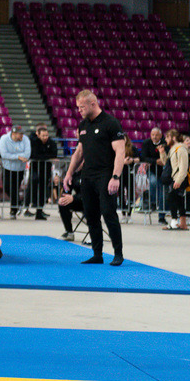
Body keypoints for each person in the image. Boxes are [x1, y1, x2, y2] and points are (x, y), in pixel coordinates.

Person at [62, 90, 126, 266]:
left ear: (93, 104)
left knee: (108, 212)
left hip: (106, 174)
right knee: (91, 215)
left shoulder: (110, 123)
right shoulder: (83, 125)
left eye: (82, 107)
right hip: (87, 175)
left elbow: (120, 151)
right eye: (78, 108)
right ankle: (97, 254)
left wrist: (116, 177)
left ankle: (118, 253)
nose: (79, 110)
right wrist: (69, 173)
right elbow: (79, 152)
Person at [26, 124, 56, 220]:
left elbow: (54, 154)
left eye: (46, 135)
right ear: (38, 135)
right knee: (33, 186)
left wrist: (44, 156)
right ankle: (26, 206)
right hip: (35, 169)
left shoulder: (51, 142)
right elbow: (34, 155)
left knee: (43, 191)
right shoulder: (34, 142)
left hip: (46, 170)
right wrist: (47, 157)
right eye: (43, 136)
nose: (45, 137)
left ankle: (39, 211)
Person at [0, 125, 30, 219]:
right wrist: (18, 157)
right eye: (20, 134)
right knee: (7, 187)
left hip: (20, 169)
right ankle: (18, 203)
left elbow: (27, 154)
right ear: (14, 134)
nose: (22, 136)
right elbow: (4, 154)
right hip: (7, 168)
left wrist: (13, 156)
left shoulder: (25, 139)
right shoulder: (4, 139)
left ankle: (13, 210)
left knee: (15, 188)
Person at [140, 127, 168, 224]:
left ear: (161, 135)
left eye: (156, 135)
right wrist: (155, 161)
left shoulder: (165, 143)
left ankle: (161, 217)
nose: (154, 137)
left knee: (162, 194)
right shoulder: (146, 143)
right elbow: (143, 157)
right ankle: (152, 202)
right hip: (152, 170)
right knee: (152, 182)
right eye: (153, 135)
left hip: (164, 172)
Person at [162, 129, 188, 231]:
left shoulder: (180, 149)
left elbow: (183, 167)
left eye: (167, 137)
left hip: (179, 178)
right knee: (178, 200)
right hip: (175, 177)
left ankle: (174, 222)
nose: (166, 139)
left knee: (171, 197)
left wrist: (179, 180)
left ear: (173, 138)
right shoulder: (173, 149)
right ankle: (183, 223)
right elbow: (167, 164)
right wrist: (162, 153)